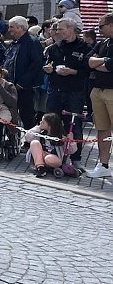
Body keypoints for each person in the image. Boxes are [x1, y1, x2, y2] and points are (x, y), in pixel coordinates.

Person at [43, 17, 91, 169]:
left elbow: (88, 71)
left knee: (73, 125)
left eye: (60, 29)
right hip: (55, 90)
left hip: (74, 93)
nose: (57, 32)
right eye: (56, 29)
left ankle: (76, 159)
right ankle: (51, 155)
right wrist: (48, 69)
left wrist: (73, 71)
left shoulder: (86, 48)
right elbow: (48, 64)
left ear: (71, 29)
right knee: (51, 123)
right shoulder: (54, 47)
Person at [83, 13, 113, 178]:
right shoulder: (103, 43)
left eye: (101, 26)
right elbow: (88, 61)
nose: (98, 29)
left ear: (111, 25)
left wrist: (99, 63)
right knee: (102, 129)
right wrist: (102, 62)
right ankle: (104, 165)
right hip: (97, 90)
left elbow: (110, 66)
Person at [2, 16, 44, 131]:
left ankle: (32, 140)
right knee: (9, 113)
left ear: (20, 28)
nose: (9, 30)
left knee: (27, 115)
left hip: (24, 87)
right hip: (10, 85)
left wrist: (22, 83)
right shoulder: (14, 43)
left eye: (12, 27)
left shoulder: (32, 42)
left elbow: (36, 65)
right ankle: (12, 137)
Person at [25, 112, 69, 178]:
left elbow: (71, 151)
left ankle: (50, 167)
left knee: (49, 158)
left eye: (43, 122)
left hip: (54, 158)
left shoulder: (60, 137)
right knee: (34, 143)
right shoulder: (40, 133)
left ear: (50, 125)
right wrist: (38, 128)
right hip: (41, 156)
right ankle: (40, 167)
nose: (40, 122)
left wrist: (71, 142)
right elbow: (28, 138)